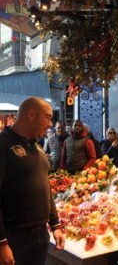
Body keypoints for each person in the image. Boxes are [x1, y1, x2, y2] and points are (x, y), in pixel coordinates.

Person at [0, 97, 64, 265]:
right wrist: (2, 242)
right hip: (13, 236)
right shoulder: (3, 143)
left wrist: (55, 224)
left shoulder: (38, 148)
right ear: (31, 114)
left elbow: (46, 188)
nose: (51, 124)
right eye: (48, 117)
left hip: (41, 235)